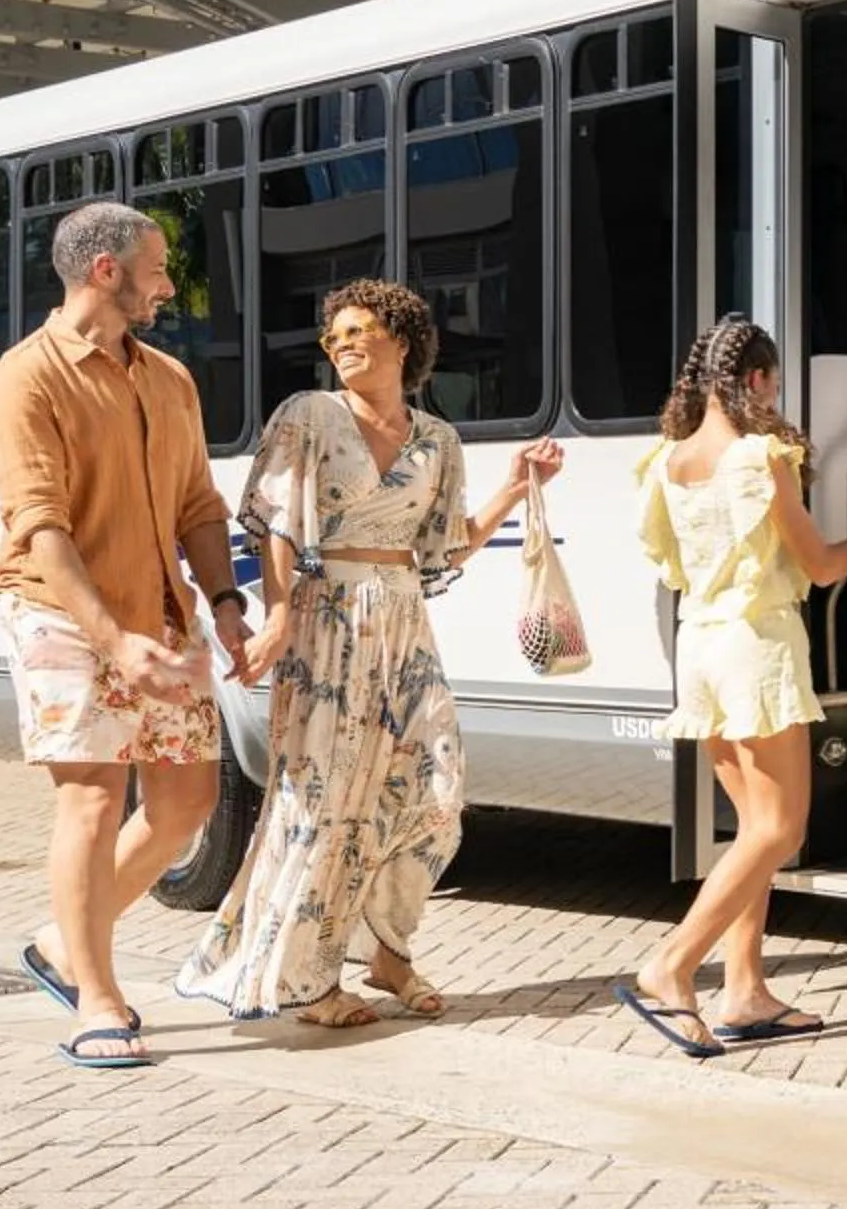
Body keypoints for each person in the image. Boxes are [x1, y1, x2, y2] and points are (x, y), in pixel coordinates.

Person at [173, 280, 563, 1028]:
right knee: (326, 800)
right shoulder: (311, 416)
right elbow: (276, 524)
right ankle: (310, 979)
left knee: (435, 788)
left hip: (403, 621)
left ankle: (387, 946)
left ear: (403, 340)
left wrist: (516, 488)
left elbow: (444, 548)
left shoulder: (437, 440)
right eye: (334, 336)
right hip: (328, 620)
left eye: (359, 331)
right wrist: (279, 613)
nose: (343, 344)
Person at [0, 201, 252, 1070]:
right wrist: (111, 639)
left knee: (187, 805)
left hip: (162, 612)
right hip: (61, 613)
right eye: (157, 266)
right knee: (96, 798)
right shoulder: (24, 378)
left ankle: (65, 943)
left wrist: (221, 602)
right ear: (106, 271)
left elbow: (197, 506)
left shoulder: (169, 379)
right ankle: (95, 997)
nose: (168, 283)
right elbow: (40, 526)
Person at [616, 316, 847, 1057]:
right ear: (756, 380)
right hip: (756, 646)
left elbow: (664, 559)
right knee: (779, 830)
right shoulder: (762, 457)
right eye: (775, 380)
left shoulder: (668, 460)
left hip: (699, 644)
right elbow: (822, 566)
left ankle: (745, 990)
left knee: (751, 834)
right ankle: (672, 965)